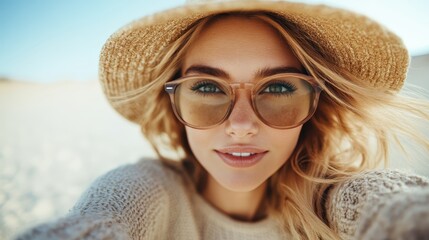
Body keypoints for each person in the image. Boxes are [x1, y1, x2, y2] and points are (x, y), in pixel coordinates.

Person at [15, 0, 429, 239]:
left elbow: (396, 209)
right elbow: (98, 222)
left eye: (280, 88)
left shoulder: (332, 200)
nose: (242, 125)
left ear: (316, 103)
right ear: (173, 103)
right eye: (209, 88)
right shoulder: (147, 191)